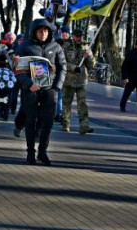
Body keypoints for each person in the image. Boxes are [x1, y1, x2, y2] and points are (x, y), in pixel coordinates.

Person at [15, 18, 67, 165]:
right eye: (40, 30)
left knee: (48, 122)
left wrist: (57, 86)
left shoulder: (56, 46)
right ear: (34, 31)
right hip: (31, 89)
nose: (43, 33)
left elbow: (62, 66)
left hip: (49, 89)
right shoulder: (25, 46)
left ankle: (42, 152)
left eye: (46, 30)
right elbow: (18, 69)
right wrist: (28, 84)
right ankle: (30, 152)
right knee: (30, 121)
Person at [62, 28, 95, 134]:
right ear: (72, 36)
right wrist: (73, 67)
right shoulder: (66, 46)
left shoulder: (86, 47)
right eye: (77, 36)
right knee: (67, 103)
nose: (79, 38)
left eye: (80, 36)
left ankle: (84, 126)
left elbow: (91, 65)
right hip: (68, 80)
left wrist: (88, 56)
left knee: (82, 104)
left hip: (81, 81)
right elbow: (61, 62)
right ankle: (66, 125)